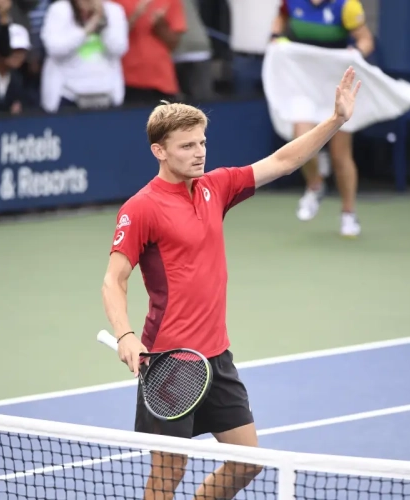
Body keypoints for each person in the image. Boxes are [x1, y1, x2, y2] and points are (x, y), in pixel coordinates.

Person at [100, 66, 361, 499]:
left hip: (217, 357)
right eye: (186, 146)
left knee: (248, 462)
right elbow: (114, 280)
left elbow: (283, 160)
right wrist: (126, 334)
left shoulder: (215, 187)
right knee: (167, 478)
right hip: (170, 362)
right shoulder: (140, 208)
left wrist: (335, 121)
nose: (199, 152)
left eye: (202, 141)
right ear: (159, 151)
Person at [271, 0, 374, 237]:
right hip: (302, 83)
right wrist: (275, 35)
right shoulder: (291, 1)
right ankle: (315, 184)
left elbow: (366, 40)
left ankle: (348, 213)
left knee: (340, 155)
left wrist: (357, 52)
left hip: (334, 83)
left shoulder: (348, 6)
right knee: (301, 141)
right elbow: (281, 19)